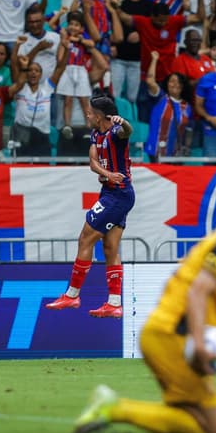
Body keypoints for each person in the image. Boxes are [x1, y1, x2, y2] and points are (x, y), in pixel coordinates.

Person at [71, 172, 216, 433]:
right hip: (172, 336)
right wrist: (201, 343)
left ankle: (115, 408)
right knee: (212, 429)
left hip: (171, 334)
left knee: (202, 424)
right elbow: (197, 292)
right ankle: (114, 408)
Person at [45, 92, 135, 319]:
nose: (87, 114)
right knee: (109, 248)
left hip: (119, 195)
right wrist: (107, 174)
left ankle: (72, 294)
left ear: (101, 115)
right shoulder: (96, 134)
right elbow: (93, 163)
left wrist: (122, 121)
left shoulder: (116, 132)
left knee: (85, 238)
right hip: (110, 191)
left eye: (90, 112)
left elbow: (128, 131)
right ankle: (114, 303)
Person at [10, 32, 69, 156]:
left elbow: (60, 68)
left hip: (42, 134)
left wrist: (67, 48)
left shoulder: (47, 88)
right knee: (20, 168)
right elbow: (14, 66)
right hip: (21, 132)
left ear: (41, 75)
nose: (33, 73)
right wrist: (16, 46)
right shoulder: (21, 87)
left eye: (37, 71)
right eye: (30, 70)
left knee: (43, 168)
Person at [144, 51, 192, 161]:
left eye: (179, 82)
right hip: (156, 150)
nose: (175, 84)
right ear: (167, 84)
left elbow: (189, 129)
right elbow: (150, 81)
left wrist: (187, 148)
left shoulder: (187, 106)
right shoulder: (160, 98)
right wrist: (154, 60)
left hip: (176, 153)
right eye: (172, 81)